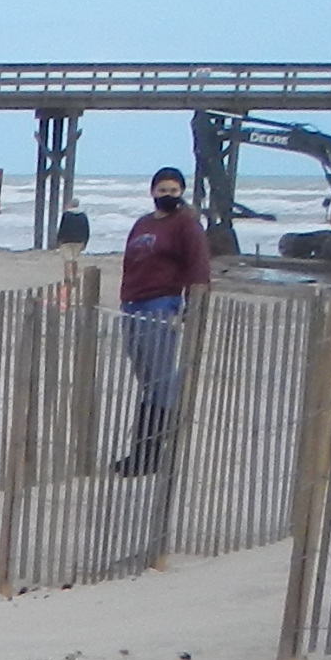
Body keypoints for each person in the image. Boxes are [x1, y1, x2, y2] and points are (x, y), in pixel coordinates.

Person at [116, 165, 214, 473]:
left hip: (162, 305)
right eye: (162, 190)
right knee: (146, 381)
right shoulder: (143, 223)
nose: (167, 195)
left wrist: (191, 309)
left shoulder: (187, 226)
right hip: (133, 305)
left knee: (161, 381)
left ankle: (152, 454)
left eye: (173, 191)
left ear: (182, 192)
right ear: (152, 192)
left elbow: (198, 268)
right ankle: (140, 453)